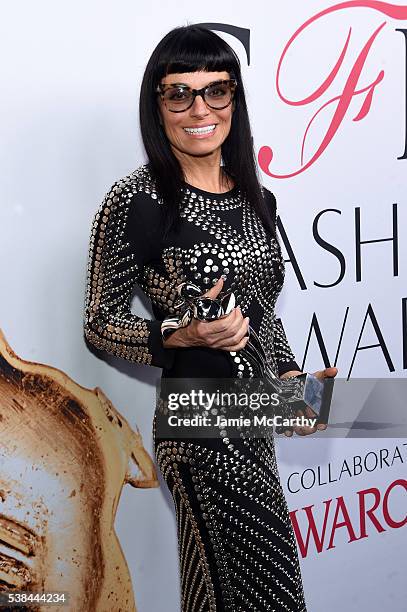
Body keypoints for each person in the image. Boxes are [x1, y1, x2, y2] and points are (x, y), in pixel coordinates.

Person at [83, 24, 337, 612]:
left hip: (252, 417)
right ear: (158, 105)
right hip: (197, 418)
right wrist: (183, 334)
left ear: (234, 99)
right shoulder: (138, 199)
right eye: (179, 93)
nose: (200, 109)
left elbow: (263, 316)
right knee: (236, 592)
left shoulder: (255, 196)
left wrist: (295, 392)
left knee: (257, 593)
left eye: (215, 91)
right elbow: (99, 323)